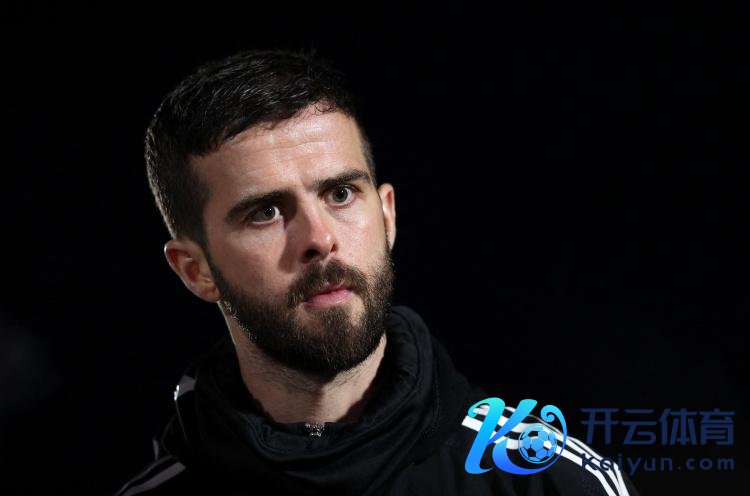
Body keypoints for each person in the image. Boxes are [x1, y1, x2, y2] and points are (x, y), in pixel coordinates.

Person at [115, 49, 637, 496]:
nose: (320, 239)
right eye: (266, 212)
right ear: (196, 270)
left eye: (340, 194)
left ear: (387, 216)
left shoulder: (545, 478)